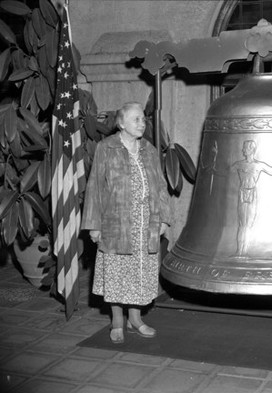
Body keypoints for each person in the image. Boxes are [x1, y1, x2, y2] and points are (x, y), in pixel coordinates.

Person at [81, 102, 170, 344]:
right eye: (136, 119)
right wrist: (94, 225)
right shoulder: (106, 148)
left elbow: (160, 185)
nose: (142, 123)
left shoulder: (149, 149)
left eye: (143, 119)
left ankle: (136, 319)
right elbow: (95, 188)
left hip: (145, 225)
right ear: (121, 123)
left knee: (139, 275)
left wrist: (163, 218)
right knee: (117, 275)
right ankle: (117, 321)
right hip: (116, 223)